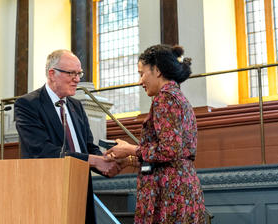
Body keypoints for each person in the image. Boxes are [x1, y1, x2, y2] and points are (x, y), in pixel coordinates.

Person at [14, 49, 120, 224]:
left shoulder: (76, 106)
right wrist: (94, 160)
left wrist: (107, 161)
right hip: (47, 191)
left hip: (80, 190)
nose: (77, 79)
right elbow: (42, 151)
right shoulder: (27, 104)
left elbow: (87, 147)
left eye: (79, 73)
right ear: (52, 74)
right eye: (71, 73)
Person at [105, 44, 206, 223]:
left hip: (168, 192)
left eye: (142, 73)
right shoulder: (178, 97)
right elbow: (169, 154)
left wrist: (130, 149)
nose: (140, 81)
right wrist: (128, 160)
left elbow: (169, 150)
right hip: (182, 187)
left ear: (157, 70)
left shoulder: (164, 99)